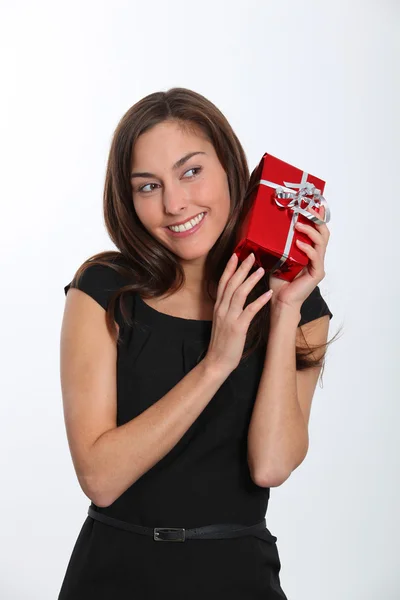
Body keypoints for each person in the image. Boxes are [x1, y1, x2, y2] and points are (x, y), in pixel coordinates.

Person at [58, 87, 335, 599]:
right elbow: (100, 478)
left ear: (231, 167)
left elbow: (271, 465)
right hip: (113, 577)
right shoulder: (103, 290)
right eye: (147, 186)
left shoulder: (299, 308)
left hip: (238, 580)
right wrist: (216, 363)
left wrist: (285, 307)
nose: (174, 203)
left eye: (190, 172)